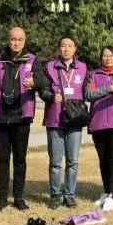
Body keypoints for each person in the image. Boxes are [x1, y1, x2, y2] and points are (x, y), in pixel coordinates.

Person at [0, 27, 42, 211]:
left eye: (20, 39)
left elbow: (43, 81)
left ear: (24, 41)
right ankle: (2, 199)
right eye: (13, 39)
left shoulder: (32, 59)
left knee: (20, 159)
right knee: (2, 159)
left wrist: (35, 83)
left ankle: (19, 198)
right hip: (1, 117)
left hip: (21, 117)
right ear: (8, 40)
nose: (16, 43)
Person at [37, 36, 88, 209]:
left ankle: (69, 195)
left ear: (75, 48)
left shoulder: (83, 68)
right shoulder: (49, 67)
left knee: (73, 161)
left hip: (74, 119)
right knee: (56, 161)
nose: (66, 49)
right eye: (63, 46)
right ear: (59, 48)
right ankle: (55, 195)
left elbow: (88, 91)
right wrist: (51, 97)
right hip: (55, 119)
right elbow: (42, 90)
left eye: (70, 46)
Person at [85, 46, 113, 212]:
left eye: (111, 56)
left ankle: (111, 194)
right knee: (103, 159)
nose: (107, 58)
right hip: (98, 122)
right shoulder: (93, 74)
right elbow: (89, 95)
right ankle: (106, 191)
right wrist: (109, 89)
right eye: (104, 56)